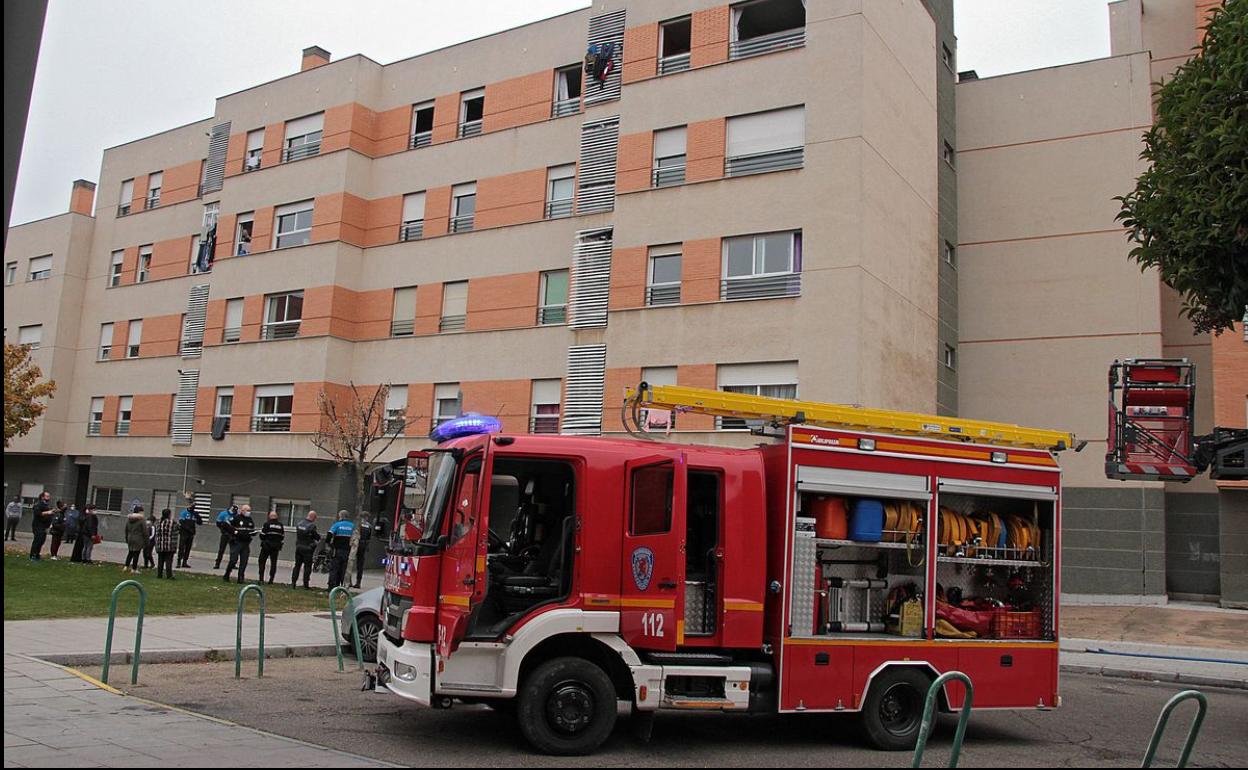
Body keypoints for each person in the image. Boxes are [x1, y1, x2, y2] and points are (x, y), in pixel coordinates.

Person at [222, 504, 256, 584]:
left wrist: (253, 533)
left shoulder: (250, 520)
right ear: (242, 510)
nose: (249, 512)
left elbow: (251, 529)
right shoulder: (236, 518)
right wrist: (234, 532)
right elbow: (226, 524)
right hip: (237, 542)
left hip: (246, 543)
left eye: (249, 511)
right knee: (233, 560)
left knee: (244, 561)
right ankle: (227, 575)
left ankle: (240, 577)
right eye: (247, 510)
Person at [326, 511, 355, 590]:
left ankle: (332, 586)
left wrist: (329, 544)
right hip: (348, 551)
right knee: (344, 569)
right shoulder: (352, 526)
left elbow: (329, 535)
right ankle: (344, 587)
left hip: (337, 550)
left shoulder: (337, 525)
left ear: (341, 516)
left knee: (334, 569)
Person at [291, 510, 320, 589]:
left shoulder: (299, 524)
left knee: (297, 565)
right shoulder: (312, 526)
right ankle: (305, 584)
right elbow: (316, 536)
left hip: (299, 547)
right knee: (307, 567)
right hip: (307, 548)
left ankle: (293, 583)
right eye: (315, 517)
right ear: (313, 517)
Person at [257, 511, 285, 584]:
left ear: (270, 516)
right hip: (276, 547)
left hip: (266, 546)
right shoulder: (280, 525)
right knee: (273, 563)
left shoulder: (267, 524)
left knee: (262, 561)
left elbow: (262, 535)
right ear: (277, 517)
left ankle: (261, 579)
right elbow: (282, 537)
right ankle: (271, 579)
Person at [153, 508, 180, 579]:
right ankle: (169, 575)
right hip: (169, 545)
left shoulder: (158, 522)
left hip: (160, 545)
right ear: (169, 514)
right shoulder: (172, 522)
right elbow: (179, 528)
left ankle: (159, 575)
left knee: (160, 561)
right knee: (169, 561)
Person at [352, 515, 377, 589]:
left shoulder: (357, 524)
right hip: (363, 545)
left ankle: (348, 581)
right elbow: (369, 537)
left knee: (350, 562)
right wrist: (367, 546)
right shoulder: (369, 526)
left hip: (356, 544)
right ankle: (358, 582)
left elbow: (354, 533)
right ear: (366, 517)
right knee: (360, 564)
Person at [29, 492, 53, 561]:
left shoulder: (46, 505)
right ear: (42, 497)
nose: (49, 498)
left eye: (49, 496)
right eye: (47, 496)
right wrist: (47, 512)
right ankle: (33, 555)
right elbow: (38, 513)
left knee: (42, 541)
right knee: (37, 540)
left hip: (44, 526)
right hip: (38, 526)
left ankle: (37, 554)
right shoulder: (38, 504)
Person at [123, 506, 147, 573]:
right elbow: (145, 531)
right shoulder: (141, 520)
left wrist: (127, 538)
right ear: (140, 512)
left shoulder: (129, 519)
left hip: (130, 537)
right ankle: (134, 569)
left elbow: (126, 529)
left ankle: (126, 566)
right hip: (138, 538)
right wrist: (146, 541)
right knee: (136, 553)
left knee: (130, 552)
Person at [213, 505, 237, 569]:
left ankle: (233, 564)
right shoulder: (223, 514)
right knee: (221, 549)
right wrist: (223, 531)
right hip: (225, 534)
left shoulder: (236, 515)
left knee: (233, 550)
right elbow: (218, 523)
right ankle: (217, 564)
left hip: (232, 534)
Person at [177, 502, 200, 567]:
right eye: (192, 505)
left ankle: (184, 562)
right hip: (184, 533)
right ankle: (179, 561)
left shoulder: (195, 514)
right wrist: (189, 529)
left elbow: (200, 522)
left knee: (188, 548)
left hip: (191, 534)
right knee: (181, 547)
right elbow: (181, 522)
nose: (193, 507)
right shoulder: (184, 512)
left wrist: (197, 516)